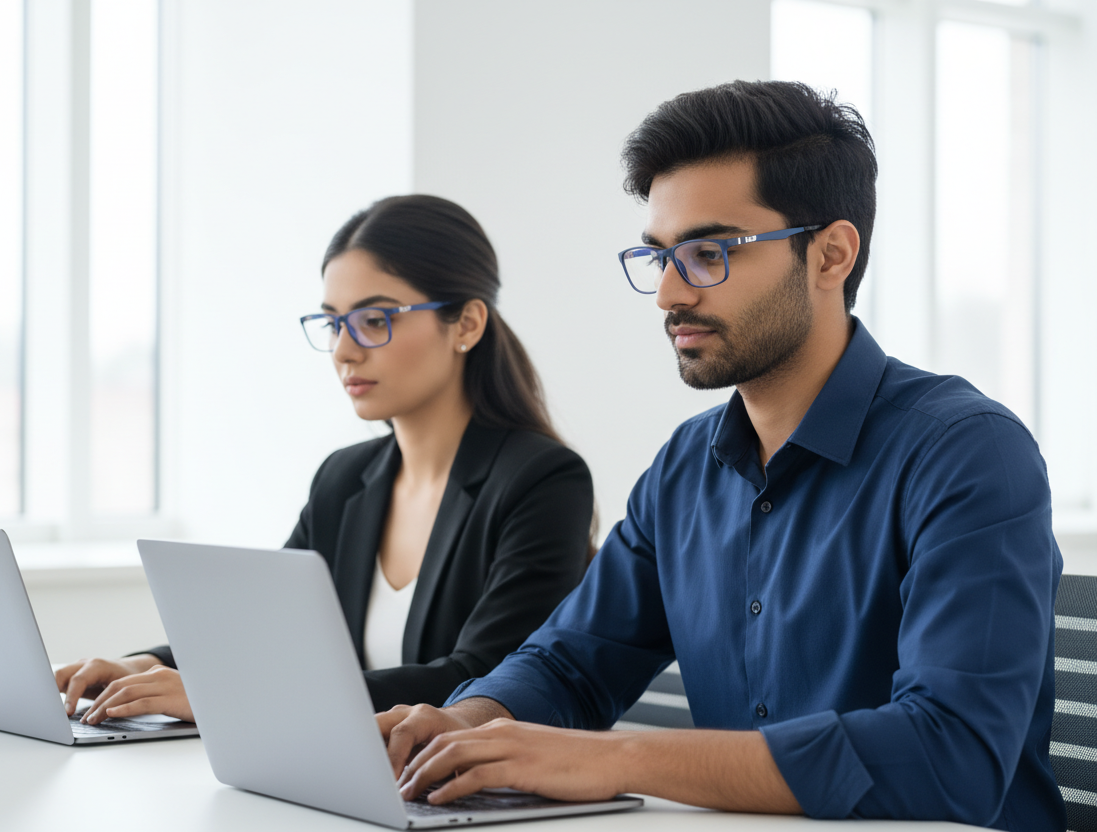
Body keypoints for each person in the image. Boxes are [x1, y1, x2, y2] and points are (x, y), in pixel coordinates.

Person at [378, 81, 1065, 831]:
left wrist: (617, 759)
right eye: (659, 257)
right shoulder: (685, 467)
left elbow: (950, 755)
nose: (669, 294)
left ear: (831, 255)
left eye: (709, 253)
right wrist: (465, 723)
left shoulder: (967, 452)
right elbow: (571, 661)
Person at [56, 194, 595, 723]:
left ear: (467, 324)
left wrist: (229, 695)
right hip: (353, 766)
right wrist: (145, 666)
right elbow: (265, 628)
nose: (344, 350)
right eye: (334, 323)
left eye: (375, 320)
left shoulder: (542, 480)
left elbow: (486, 678)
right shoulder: (345, 477)